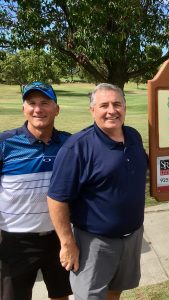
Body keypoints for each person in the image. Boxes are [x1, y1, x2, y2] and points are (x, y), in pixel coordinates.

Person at [47, 83, 148, 300]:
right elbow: (56, 198)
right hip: (94, 243)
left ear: (125, 107)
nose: (112, 110)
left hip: (132, 236)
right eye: (104, 105)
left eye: (117, 104)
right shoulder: (77, 147)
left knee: (116, 290)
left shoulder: (133, 137)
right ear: (92, 110)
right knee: (90, 296)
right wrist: (67, 243)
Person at [0, 82, 72, 300]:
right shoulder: (6, 143)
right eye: (31, 103)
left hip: (59, 238)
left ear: (56, 109)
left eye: (44, 103)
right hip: (15, 242)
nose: (38, 109)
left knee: (61, 295)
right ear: (24, 108)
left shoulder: (69, 143)